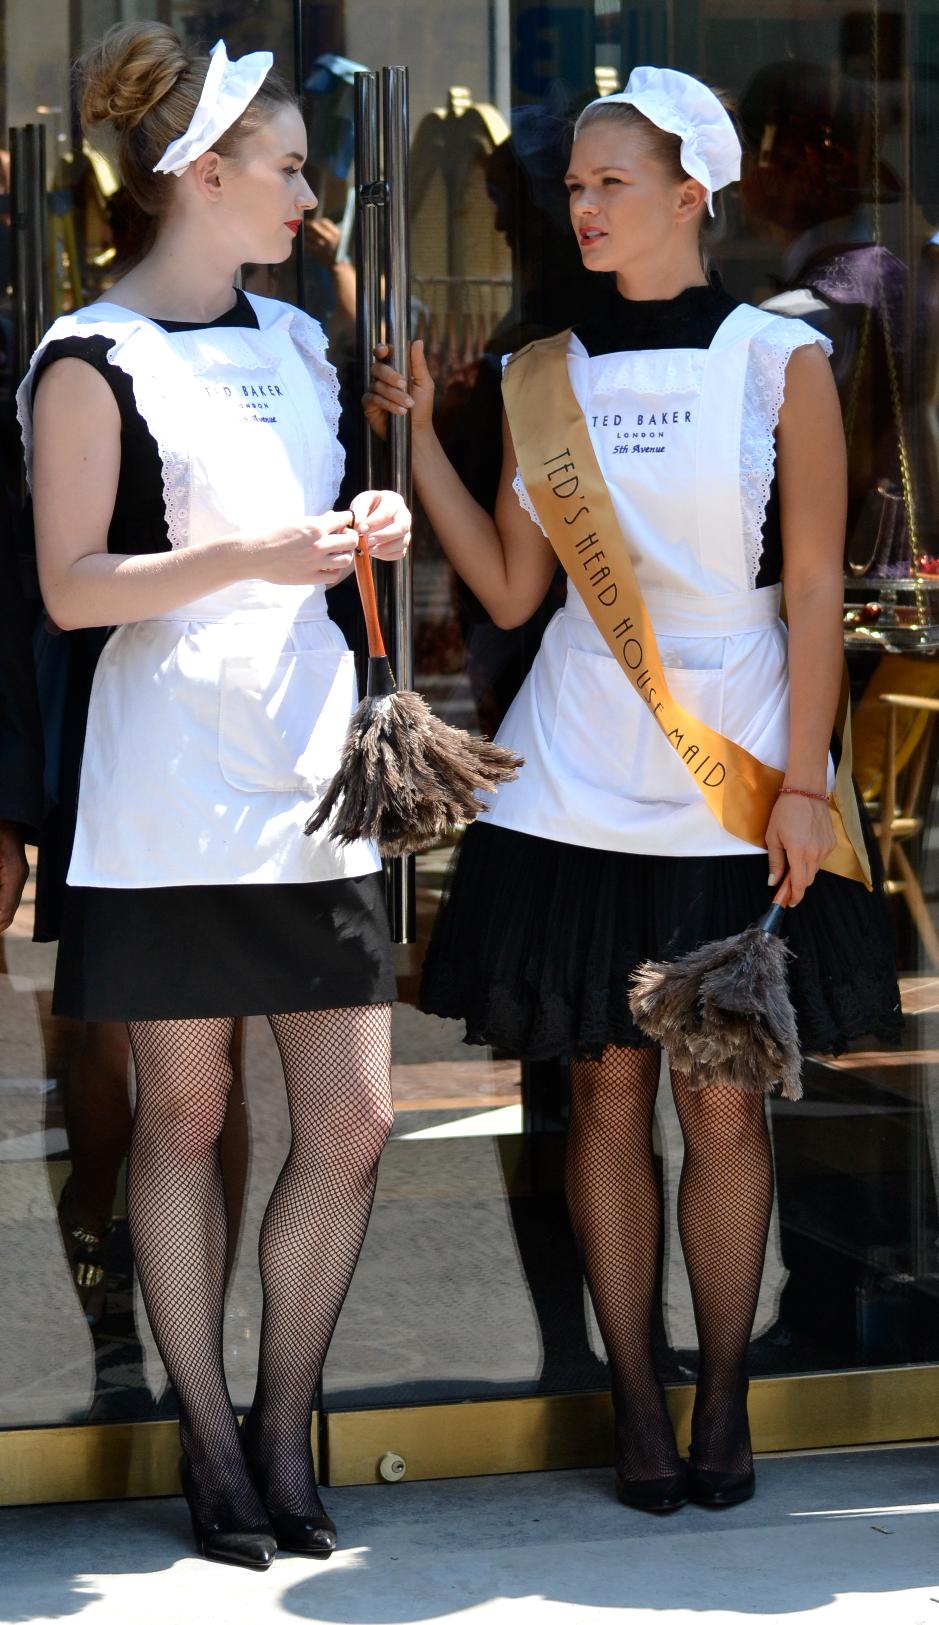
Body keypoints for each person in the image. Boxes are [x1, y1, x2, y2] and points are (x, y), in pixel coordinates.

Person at [367, 65, 901, 1514]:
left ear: (691, 195)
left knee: (723, 1100)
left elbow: (808, 587)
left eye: (610, 183)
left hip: (731, 771)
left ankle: (723, 1401)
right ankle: (635, 1403)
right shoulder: (547, 370)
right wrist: (421, 432)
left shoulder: (777, 355)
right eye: (577, 187)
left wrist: (801, 783)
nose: (582, 205)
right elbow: (512, 587)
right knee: (599, 1092)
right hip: (579, 767)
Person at [19, 22, 410, 1569]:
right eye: (294, 168)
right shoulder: (87, 352)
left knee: (357, 1113)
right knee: (182, 1113)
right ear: (205, 173)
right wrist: (261, 555)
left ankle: (279, 1416)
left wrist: (360, 519)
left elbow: (306, 528)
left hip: (310, 754)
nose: (310, 197)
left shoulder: (305, 342)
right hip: (172, 765)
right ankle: (207, 1437)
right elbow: (68, 589)